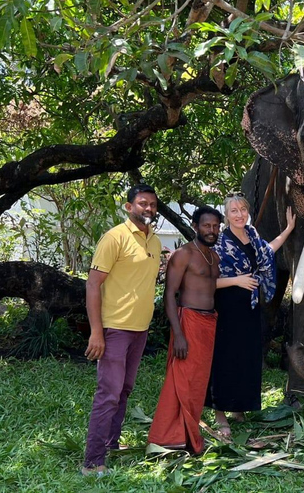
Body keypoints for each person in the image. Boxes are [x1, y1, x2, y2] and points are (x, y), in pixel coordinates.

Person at [82, 184, 161, 476]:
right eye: (142, 203)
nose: (148, 208)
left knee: (125, 390)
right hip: (114, 329)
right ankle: (93, 462)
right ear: (129, 207)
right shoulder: (115, 237)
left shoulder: (152, 241)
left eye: (152, 204)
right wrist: (96, 332)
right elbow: (93, 284)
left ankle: (111, 444)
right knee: (109, 394)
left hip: (139, 330)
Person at [206, 193, 295, 437]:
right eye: (233, 210)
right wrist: (237, 280)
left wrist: (288, 230)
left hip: (250, 306)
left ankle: (239, 408)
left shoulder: (252, 234)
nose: (239, 214)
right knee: (225, 359)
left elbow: (267, 252)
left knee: (246, 357)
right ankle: (220, 414)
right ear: (226, 215)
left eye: (242, 209)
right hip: (227, 306)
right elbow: (205, 282)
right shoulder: (219, 242)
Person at [148, 206, 223, 454]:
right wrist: (178, 334)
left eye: (215, 226)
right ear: (195, 226)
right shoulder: (183, 254)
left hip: (208, 323)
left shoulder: (214, 257)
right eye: (206, 225)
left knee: (198, 382)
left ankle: (189, 435)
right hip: (188, 322)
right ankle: (165, 438)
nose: (212, 231)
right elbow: (170, 294)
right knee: (180, 380)